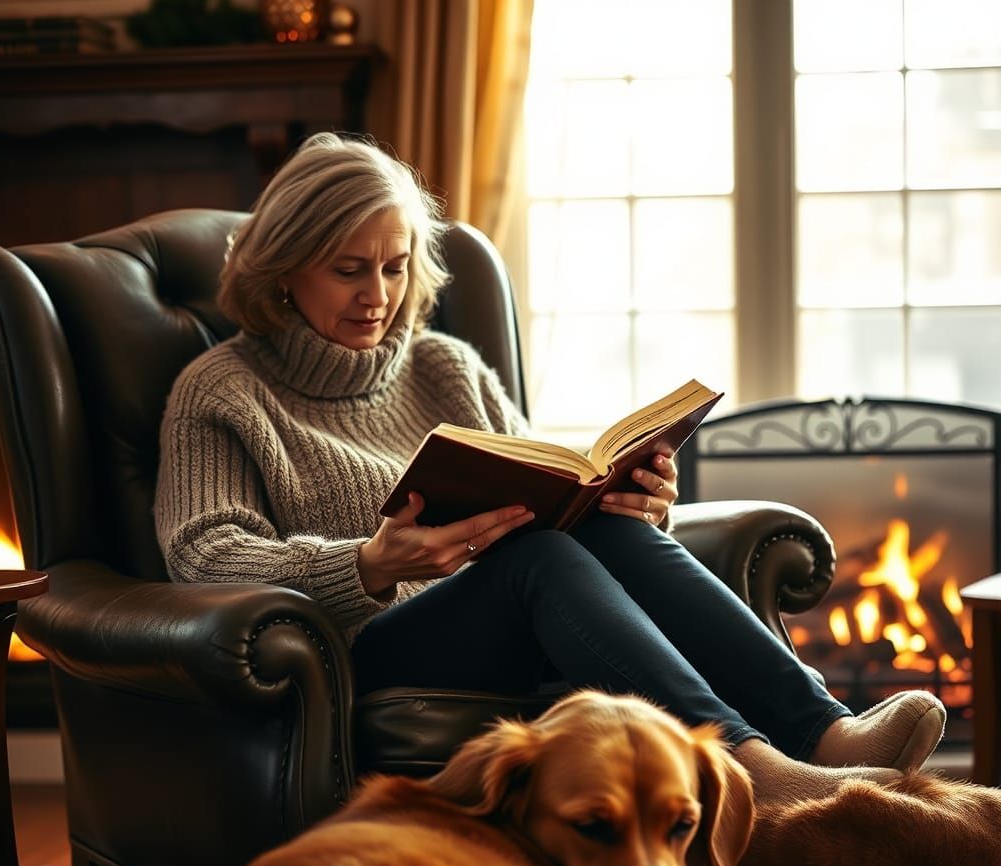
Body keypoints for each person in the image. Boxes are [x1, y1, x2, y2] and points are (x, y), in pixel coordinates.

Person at [154, 132, 945, 804]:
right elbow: (203, 557)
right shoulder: (224, 389)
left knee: (589, 529)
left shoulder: (445, 368)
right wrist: (366, 564)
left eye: (395, 268)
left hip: (513, 620)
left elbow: (541, 484)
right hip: (350, 653)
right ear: (285, 267)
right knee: (535, 559)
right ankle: (748, 766)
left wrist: (633, 501)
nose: (378, 296)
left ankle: (824, 730)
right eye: (348, 269)